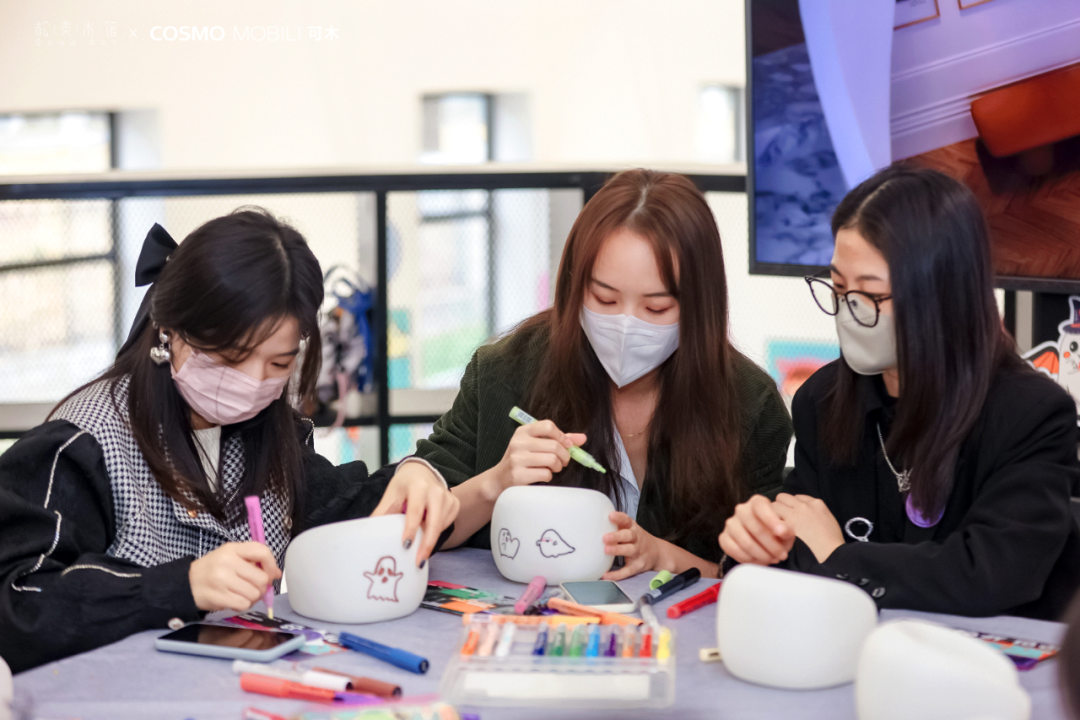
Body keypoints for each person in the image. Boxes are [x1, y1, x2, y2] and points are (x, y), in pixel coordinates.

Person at [0, 209, 458, 672]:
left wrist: (415, 476)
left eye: (278, 364)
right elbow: (17, 603)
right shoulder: (83, 445)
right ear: (170, 330)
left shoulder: (266, 430)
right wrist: (182, 585)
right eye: (231, 358)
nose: (253, 384)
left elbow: (342, 509)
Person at [719, 165, 1080, 619]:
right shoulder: (821, 400)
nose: (846, 312)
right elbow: (796, 541)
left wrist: (838, 556)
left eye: (869, 296)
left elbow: (990, 573)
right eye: (838, 287)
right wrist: (755, 542)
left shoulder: (1032, 414)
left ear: (941, 296)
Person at [395, 169, 792, 580]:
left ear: (699, 305)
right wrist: (496, 482)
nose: (626, 326)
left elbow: (760, 577)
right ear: (574, 285)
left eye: (656, 308)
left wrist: (664, 556)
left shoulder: (750, 405)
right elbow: (424, 523)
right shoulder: (505, 372)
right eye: (604, 299)